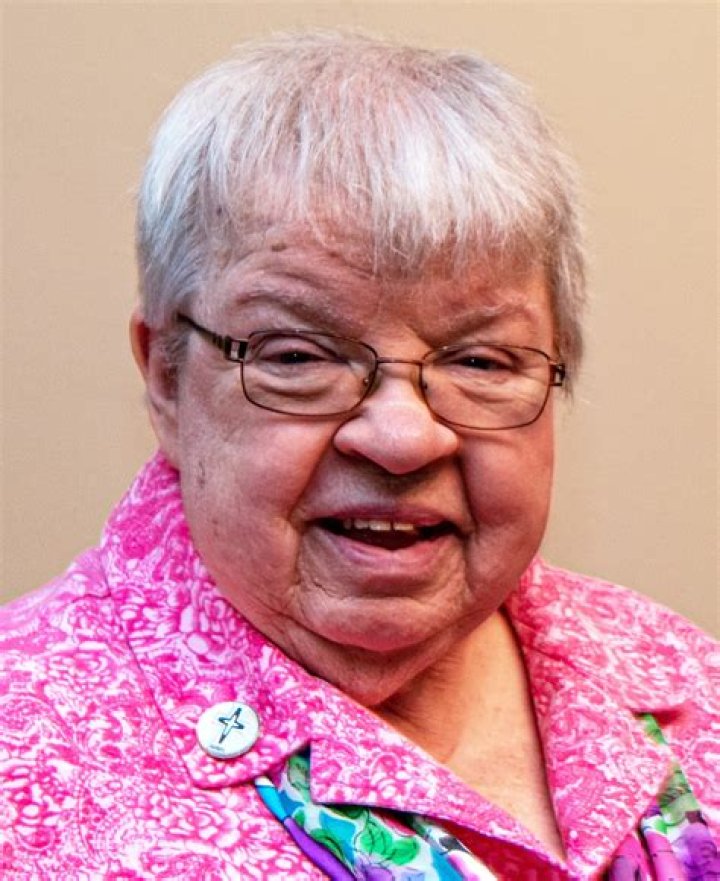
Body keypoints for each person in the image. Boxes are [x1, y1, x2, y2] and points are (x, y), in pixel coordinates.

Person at [0, 30, 717, 881]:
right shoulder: (25, 761)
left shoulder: (680, 678)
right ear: (167, 377)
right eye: (298, 355)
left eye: (480, 361)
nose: (403, 437)